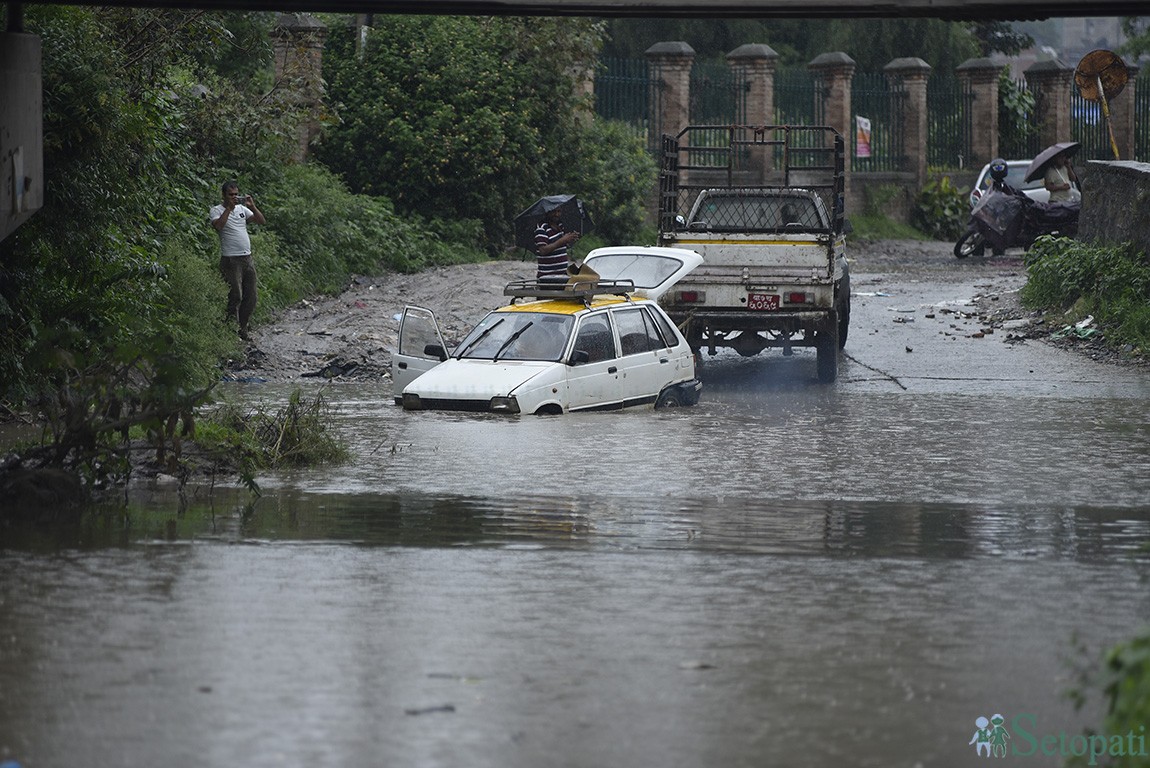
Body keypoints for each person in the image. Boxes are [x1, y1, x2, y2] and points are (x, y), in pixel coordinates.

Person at [209, 181, 265, 341]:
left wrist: (252, 206)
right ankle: (230, 329)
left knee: (251, 296)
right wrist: (229, 209)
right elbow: (219, 226)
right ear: (224, 195)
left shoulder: (242, 209)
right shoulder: (216, 210)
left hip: (247, 257)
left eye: (236, 194)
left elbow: (261, 221)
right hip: (230, 259)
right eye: (231, 195)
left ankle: (242, 328)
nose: (234, 197)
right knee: (236, 295)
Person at [534, 208, 580, 285]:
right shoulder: (542, 228)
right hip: (547, 278)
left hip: (562, 276)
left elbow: (560, 247)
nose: (556, 214)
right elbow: (543, 250)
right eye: (554, 211)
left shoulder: (560, 226)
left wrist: (569, 239)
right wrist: (562, 240)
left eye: (559, 211)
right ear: (548, 212)